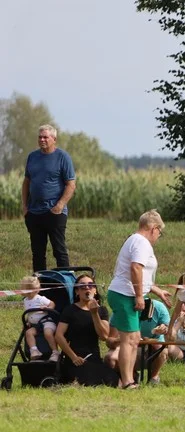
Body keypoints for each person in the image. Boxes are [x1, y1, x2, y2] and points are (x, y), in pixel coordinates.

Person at [105, 209, 170, 390]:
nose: (158, 236)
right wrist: (140, 295)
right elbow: (135, 269)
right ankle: (127, 381)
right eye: (160, 232)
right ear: (154, 228)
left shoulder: (135, 240)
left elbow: (141, 274)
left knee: (133, 339)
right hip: (126, 295)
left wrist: (157, 291)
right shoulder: (142, 242)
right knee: (129, 340)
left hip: (125, 293)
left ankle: (129, 379)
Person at [22, 124, 76, 272]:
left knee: (59, 250)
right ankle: (40, 289)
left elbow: (71, 185)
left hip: (55, 212)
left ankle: (66, 287)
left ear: (54, 139)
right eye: (40, 137)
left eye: (45, 137)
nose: (42, 140)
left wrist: (60, 205)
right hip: (34, 212)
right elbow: (26, 182)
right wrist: (25, 206)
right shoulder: (32, 157)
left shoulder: (63, 157)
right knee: (37, 253)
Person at [55, 274, 115, 387]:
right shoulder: (70, 310)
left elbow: (104, 336)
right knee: (89, 380)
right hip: (75, 358)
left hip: (94, 356)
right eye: (82, 286)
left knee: (112, 380)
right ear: (77, 292)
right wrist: (73, 357)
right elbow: (59, 335)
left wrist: (94, 313)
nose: (87, 288)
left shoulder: (101, 310)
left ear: (95, 290)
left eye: (91, 285)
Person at [20, 275, 58, 361]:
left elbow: (52, 303)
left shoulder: (40, 299)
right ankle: (34, 350)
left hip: (46, 322)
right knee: (28, 333)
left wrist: (48, 308)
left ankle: (55, 352)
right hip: (36, 325)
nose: (29, 293)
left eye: (31, 291)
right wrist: (28, 321)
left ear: (37, 289)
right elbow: (30, 313)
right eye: (27, 291)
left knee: (48, 333)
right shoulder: (25, 300)